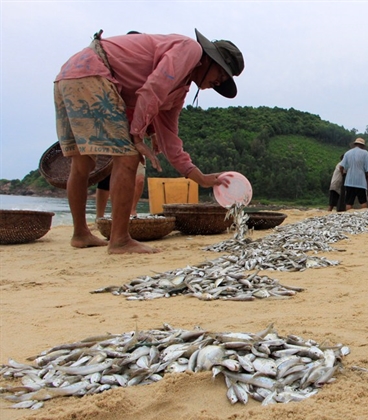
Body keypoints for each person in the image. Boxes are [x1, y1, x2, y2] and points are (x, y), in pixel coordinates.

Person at [54, 29, 244, 254]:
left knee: (83, 162)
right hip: (95, 72)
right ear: (208, 59)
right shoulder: (191, 50)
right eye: (220, 74)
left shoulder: (177, 91)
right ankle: (120, 240)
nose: (217, 82)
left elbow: (170, 141)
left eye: (222, 81)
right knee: (129, 157)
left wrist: (200, 178)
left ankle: (80, 234)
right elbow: (153, 87)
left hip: (70, 74)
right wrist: (137, 135)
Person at [340, 138, 368, 210]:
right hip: (361, 182)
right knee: (363, 201)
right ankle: (364, 215)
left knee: (349, 202)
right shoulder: (365, 153)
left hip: (349, 181)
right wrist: (366, 176)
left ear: (355, 144)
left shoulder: (347, 153)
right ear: (362, 145)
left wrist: (343, 174)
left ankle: (348, 216)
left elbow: (341, 167)